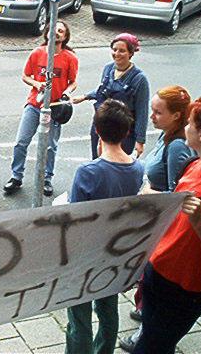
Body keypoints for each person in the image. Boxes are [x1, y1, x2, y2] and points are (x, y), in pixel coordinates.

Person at [133, 96, 201, 354]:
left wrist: (199, 222)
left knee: (151, 347)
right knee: (155, 342)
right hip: (156, 273)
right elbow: (176, 215)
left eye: (191, 124)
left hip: (184, 290)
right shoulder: (192, 165)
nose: (186, 127)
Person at [119, 85, 195, 352]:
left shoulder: (177, 146)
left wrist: (149, 191)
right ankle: (145, 313)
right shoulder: (166, 136)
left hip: (164, 227)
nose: (152, 116)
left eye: (158, 112)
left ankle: (145, 332)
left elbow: (180, 194)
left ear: (176, 116)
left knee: (154, 281)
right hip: (154, 221)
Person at [65, 99, 144, 354]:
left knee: (79, 315)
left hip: (85, 256)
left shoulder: (88, 172)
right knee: (108, 309)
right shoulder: (137, 168)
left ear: (96, 130)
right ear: (127, 132)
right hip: (115, 254)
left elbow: (75, 219)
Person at [3, 20, 79, 196]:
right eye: (54, 30)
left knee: (50, 147)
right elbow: (25, 76)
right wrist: (37, 83)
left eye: (61, 31)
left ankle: (46, 179)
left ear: (66, 36)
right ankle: (16, 176)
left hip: (55, 108)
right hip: (35, 105)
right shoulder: (37, 53)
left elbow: (73, 82)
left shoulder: (70, 58)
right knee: (21, 142)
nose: (57, 33)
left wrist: (66, 93)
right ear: (47, 33)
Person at [73, 33, 149, 159]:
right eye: (114, 50)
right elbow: (102, 90)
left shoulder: (139, 79)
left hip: (122, 131)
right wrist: (85, 96)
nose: (117, 54)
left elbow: (142, 111)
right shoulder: (108, 69)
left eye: (122, 51)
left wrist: (140, 141)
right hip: (101, 126)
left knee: (116, 166)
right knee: (97, 162)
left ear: (131, 53)